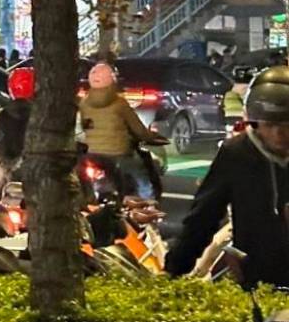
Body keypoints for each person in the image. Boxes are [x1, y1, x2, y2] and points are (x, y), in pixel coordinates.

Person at [165, 66, 289, 288]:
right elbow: (204, 215)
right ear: (255, 122)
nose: (279, 134)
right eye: (271, 125)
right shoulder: (237, 153)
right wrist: (175, 268)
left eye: (287, 126)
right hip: (257, 281)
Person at [79, 62, 165, 199]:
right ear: (112, 80)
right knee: (141, 176)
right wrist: (150, 136)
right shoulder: (120, 103)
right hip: (118, 153)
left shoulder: (83, 103)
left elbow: (84, 126)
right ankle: (148, 204)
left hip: (92, 152)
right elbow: (138, 129)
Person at [0, 66, 35, 181]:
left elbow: (1, 147)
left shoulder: (4, 115)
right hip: (37, 172)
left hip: (12, 172)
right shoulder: (41, 115)